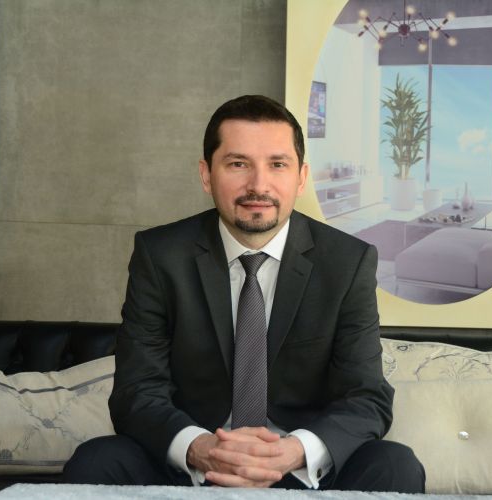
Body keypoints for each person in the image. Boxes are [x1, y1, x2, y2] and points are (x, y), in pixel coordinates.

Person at [63, 95, 425, 492]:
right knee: (97, 460)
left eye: (277, 164)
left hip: (300, 469)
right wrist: (199, 448)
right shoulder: (161, 255)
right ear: (206, 175)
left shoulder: (347, 262)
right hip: (194, 466)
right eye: (238, 164)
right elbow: (136, 391)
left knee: (395, 465)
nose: (258, 185)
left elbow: (366, 397)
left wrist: (294, 451)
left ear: (301, 177)